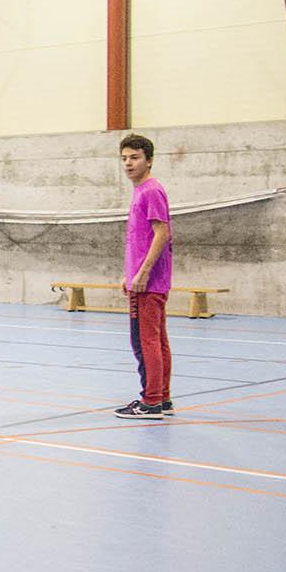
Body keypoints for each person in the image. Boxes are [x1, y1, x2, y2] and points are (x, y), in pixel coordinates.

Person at [116, 133, 173, 420]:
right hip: (142, 279)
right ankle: (162, 398)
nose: (128, 163)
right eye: (124, 158)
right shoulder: (140, 190)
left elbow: (162, 233)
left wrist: (143, 273)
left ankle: (150, 402)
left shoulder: (151, 190)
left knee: (145, 341)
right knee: (156, 339)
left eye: (134, 157)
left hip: (149, 282)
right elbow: (140, 238)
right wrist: (130, 273)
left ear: (148, 160)